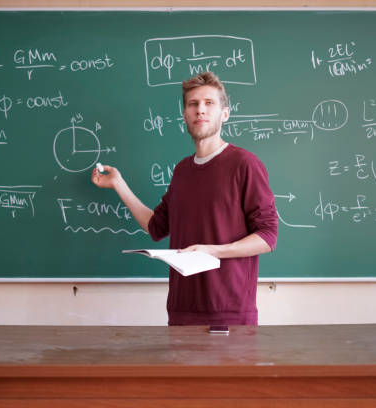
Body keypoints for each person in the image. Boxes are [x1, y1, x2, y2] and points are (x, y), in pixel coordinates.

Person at [91, 72, 278, 326]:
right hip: (181, 311)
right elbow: (156, 226)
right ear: (184, 116)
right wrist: (118, 184)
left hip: (228, 313)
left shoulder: (245, 165)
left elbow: (267, 236)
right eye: (193, 104)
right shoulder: (182, 171)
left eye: (209, 103)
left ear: (225, 113)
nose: (200, 110)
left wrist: (214, 251)